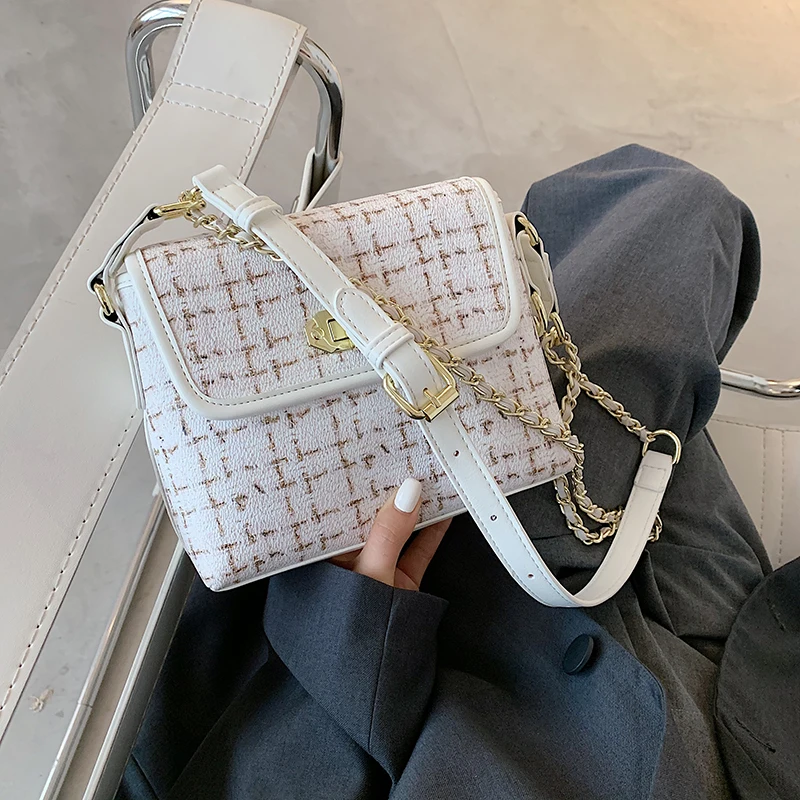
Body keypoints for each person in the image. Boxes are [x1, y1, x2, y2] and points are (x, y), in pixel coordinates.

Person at [117, 145, 799, 800]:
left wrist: (351, 632)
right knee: (676, 209)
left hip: (393, 677)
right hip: (718, 705)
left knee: (660, 210)